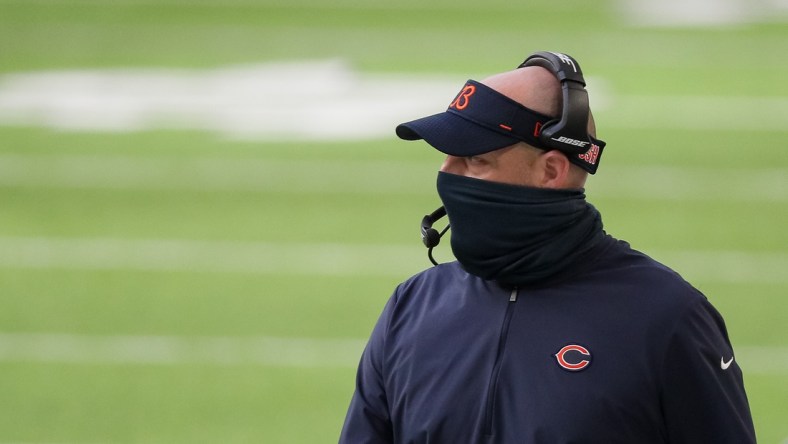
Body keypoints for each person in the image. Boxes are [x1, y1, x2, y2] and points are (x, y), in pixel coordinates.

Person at [339, 51, 755, 443]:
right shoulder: (412, 307)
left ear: (551, 169)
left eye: (475, 160)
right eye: (448, 157)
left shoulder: (666, 317)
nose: (448, 175)